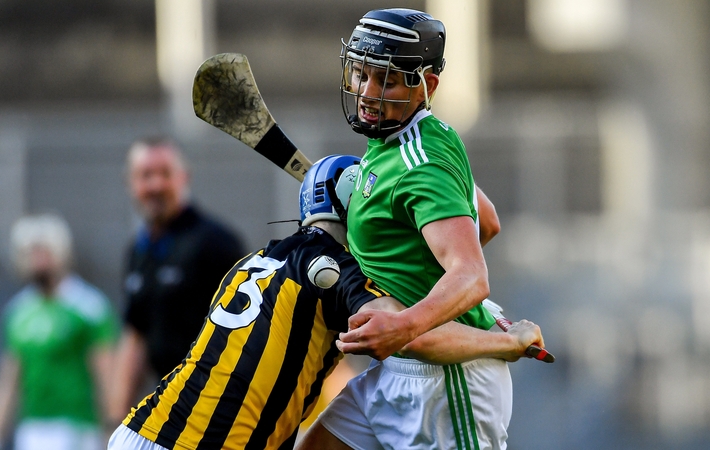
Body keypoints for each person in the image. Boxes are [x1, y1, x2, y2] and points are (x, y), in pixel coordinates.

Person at [107, 155, 544, 450]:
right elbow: (408, 334)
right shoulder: (334, 272)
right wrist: (506, 343)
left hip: (142, 430)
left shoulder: (256, 259)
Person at [297, 8, 531, 450]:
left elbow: (471, 275)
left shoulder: (420, 164)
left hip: (445, 385)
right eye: (361, 73)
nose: (366, 92)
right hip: (398, 369)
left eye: (384, 80)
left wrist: (406, 324)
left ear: (427, 86)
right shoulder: (413, 136)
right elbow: (488, 221)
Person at [108, 137, 245, 424]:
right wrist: (116, 419)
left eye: (165, 174)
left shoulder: (215, 243)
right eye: (146, 175)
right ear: (130, 183)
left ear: (184, 178)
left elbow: (249, 331)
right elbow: (135, 334)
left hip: (218, 408)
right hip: (170, 409)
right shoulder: (137, 251)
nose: (156, 185)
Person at [0, 213, 119, 450]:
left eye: (44, 251)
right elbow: (9, 379)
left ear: (61, 252)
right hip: (33, 430)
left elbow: (107, 376)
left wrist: (111, 431)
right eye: (30, 252)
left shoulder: (89, 307)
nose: (38, 260)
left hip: (77, 427)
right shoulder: (18, 311)